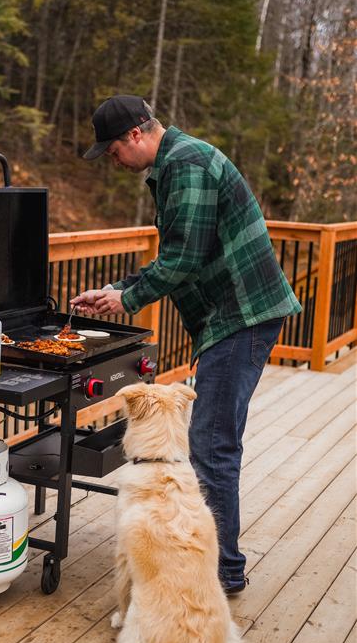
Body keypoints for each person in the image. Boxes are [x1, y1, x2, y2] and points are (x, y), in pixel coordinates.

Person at [71, 94, 301, 595]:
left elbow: (183, 261)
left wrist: (126, 299)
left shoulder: (185, 164)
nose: (113, 162)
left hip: (242, 315)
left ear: (135, 134)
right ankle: (219, 562)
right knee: (212, 442)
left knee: (212, 445)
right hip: (235, 317)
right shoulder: (178, 162)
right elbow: (179, 252)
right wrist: (118, 289)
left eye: (112, 151)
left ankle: (222, 572)